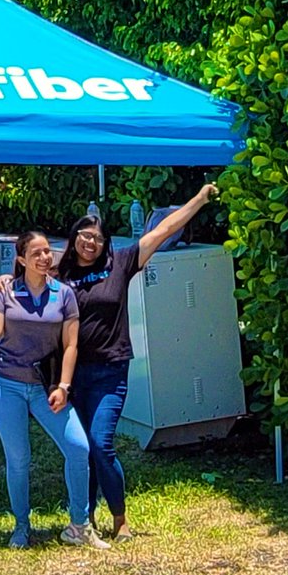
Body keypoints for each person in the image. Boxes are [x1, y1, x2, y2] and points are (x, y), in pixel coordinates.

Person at [52, 184, 219, 542]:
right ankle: (84, 517)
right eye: (84, 236)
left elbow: (163, 229)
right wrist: (5, 280)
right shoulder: (61, 275)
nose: (89, 243)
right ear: (74, 239)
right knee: (81, 448)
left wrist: (199, 198)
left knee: (101, 443)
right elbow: (25, 273)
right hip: (73, 375)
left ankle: (120, 519)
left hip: (111, 372)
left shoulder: (121, 263)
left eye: (96, 238)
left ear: (105, 243)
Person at [0, 230, 109, 550]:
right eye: (36, 253)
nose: (45, 258)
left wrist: (63, 386)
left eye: (48, 251)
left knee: (78, 447)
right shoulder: (5, 291)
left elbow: (71, 344)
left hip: (45, 387)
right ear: (22, 259)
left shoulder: (63, 294)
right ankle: (21, 526)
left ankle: (79, 526)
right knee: (19, 459)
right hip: (4, 386)